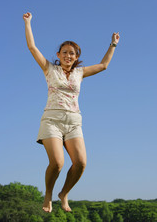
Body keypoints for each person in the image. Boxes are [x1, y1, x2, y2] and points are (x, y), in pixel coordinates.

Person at [23, 12, 120, 213]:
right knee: (58, 163)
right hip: (52, 120)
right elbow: (32, 47)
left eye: (73, 53)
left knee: (81, 163)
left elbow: (104, 65)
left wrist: (113, 44)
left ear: (77, 58)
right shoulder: (49, 69)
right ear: (58, 55)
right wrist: (28, 22)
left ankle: (64, 193)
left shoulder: (79, 73)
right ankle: (49, 194)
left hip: (74, 122)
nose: (69, 56)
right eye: (65, 52)